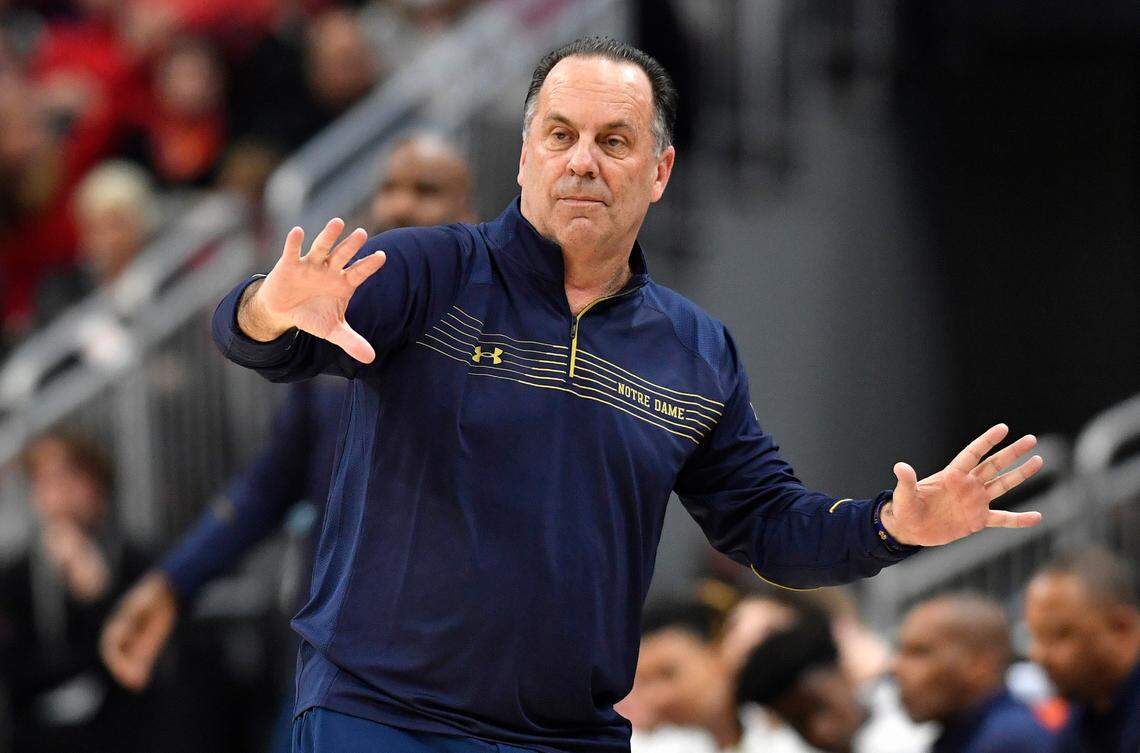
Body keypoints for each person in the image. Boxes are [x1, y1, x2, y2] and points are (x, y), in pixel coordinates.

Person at [212, 36, 1043, 753]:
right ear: (525, 153)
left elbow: (767, 525)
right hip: (383, 717)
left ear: (659, 169)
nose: (582, 160)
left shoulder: (695, 351)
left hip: (573, 733)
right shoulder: (434, 272)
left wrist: (893, 526)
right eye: (561, 134)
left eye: (614, 140)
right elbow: (265, 340)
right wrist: (267, 307)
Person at [99, 133, 477, 697]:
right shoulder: (338, 325)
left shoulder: (500, 338)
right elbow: (270, 482)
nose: (400, 203)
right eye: (390, 187)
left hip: (454, 660)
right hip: (333, 654)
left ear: (470, 216)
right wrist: (173, 582)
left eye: (426, 190)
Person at [0, 430, 151, 752]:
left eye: (73, 478)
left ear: (98, 485)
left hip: (121, 732)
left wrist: (96, 592)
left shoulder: (134, 562)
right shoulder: (15, 575)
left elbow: (134, 663)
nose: (61, 495)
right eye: (47, 482)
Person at [631, 599, 814, 753]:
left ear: (718, 651)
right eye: (643, 682)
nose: (659, 697)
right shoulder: (655, 746)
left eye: (668, 674)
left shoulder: (799, 735)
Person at [736, 611, 929, 753]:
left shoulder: (926, 723)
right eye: (799, 724)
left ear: (843, 672)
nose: (820, 732)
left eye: (821, 708)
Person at [894, 593, 1053, 753]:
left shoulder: (1014, 740)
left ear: (979, 665)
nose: (895, 668)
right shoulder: (959, 738)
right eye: (900, 651)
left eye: (919, 653)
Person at [1025, 548, 1139, 753]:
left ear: (1122, 627)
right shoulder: (1083, 716)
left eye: (1060, 634)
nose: (1038, 655)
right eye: (1035, 636)